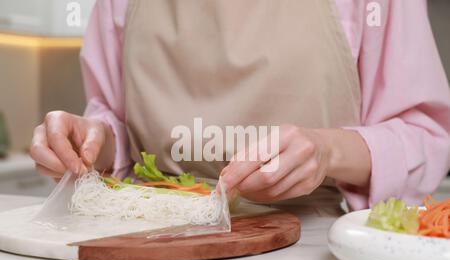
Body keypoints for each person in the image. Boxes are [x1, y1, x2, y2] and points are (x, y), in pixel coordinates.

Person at [30, 0, 450, 211]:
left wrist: (327, 151)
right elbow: (118, 125)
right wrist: (95, 142)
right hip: (145, 245)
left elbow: (427, 136)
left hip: (308, 258)